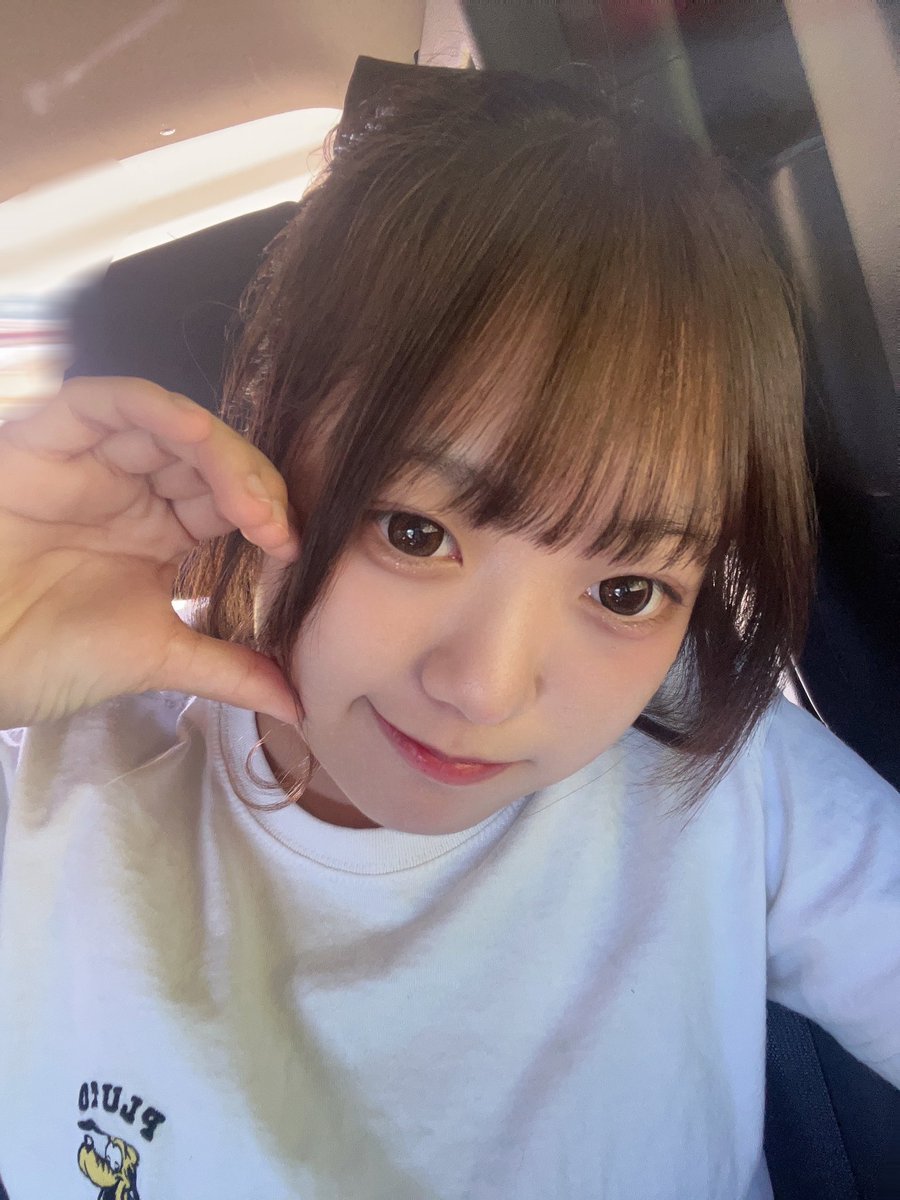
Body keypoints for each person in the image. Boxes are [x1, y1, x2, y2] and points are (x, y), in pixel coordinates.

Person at [0, 70, 897, 1200]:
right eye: (416, 531)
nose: (486, 690)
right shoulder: (48, 764)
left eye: (628, 591)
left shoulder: (723, 778)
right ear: (260, 431)